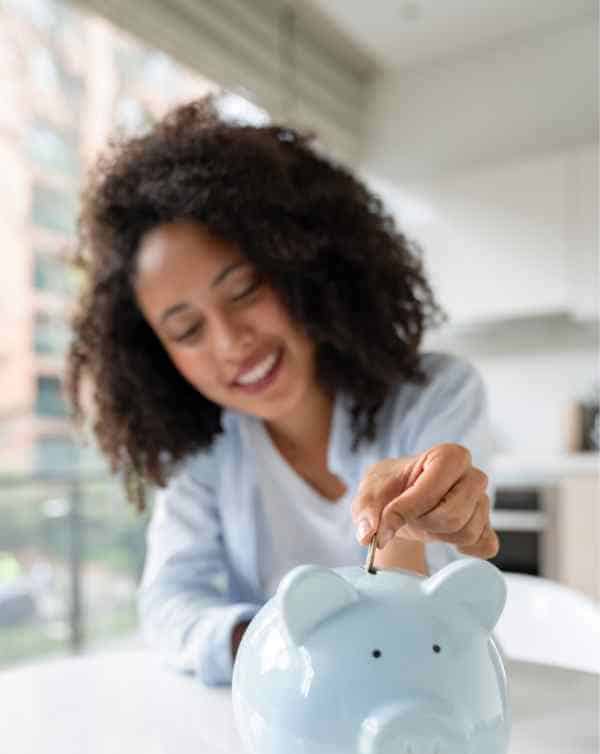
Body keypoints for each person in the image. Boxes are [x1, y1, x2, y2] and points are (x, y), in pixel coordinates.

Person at [66, 96, 498, 687]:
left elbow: (423, 625)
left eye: (243, 289)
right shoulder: (206, 455)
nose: (229, 342)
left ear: (302, 265)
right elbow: (168, 605)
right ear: (157, 358)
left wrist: (412, 522)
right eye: (187, 329)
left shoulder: (434, 395)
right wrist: (275, 643)